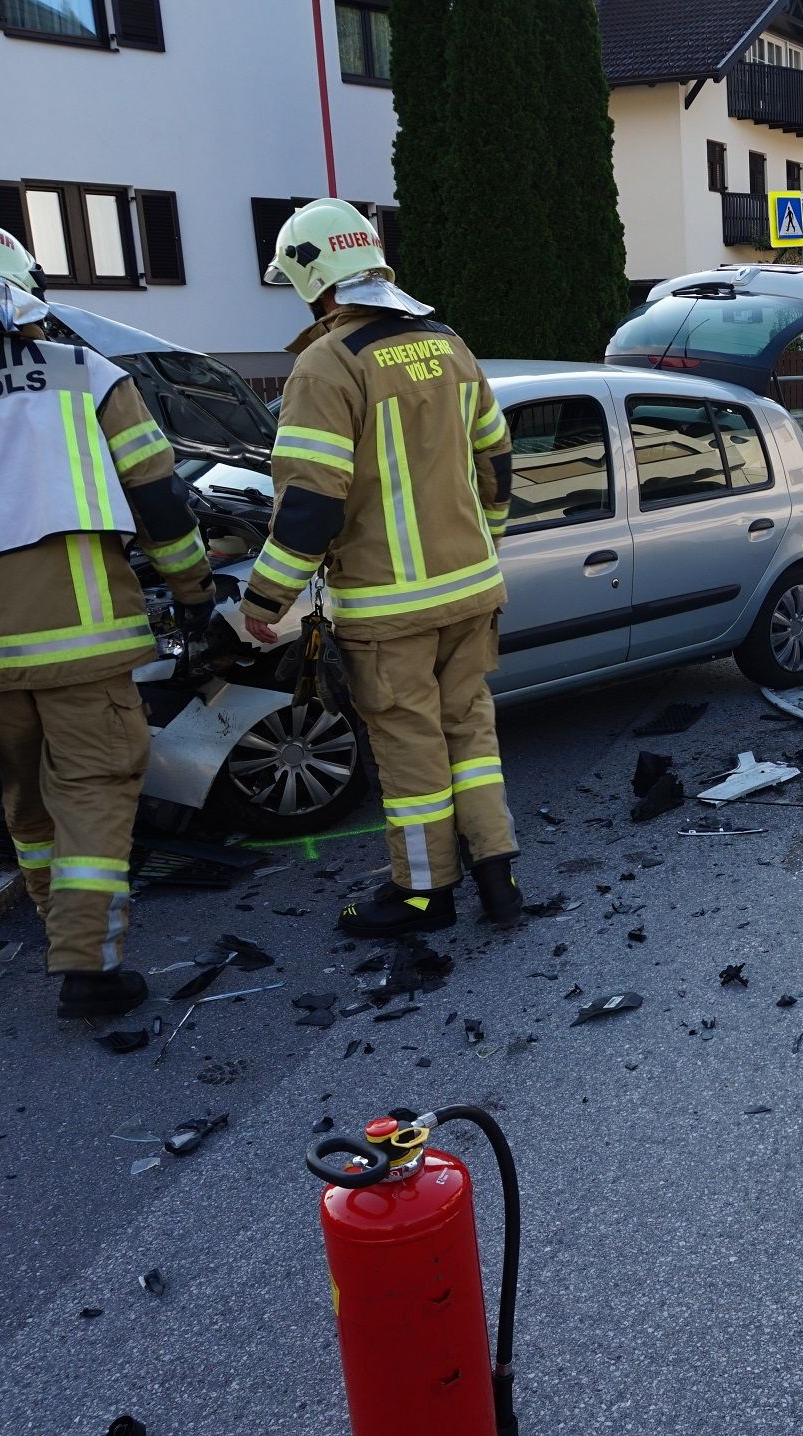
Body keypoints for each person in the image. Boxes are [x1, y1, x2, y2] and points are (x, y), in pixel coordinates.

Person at [0, 219, 215, 1018]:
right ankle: (88, 967)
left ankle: (61, 931)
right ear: (30, 292)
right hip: (90, 647)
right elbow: (160, 501)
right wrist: (194, 596)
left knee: (30, 804)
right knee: (93, 796)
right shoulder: (89, 376)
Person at [240, 198, 520, 937]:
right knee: (471, 735)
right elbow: (497, 464)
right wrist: (485, 546)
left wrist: (265, 599)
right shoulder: (450, 346)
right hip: (472, 591)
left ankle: (425, 895)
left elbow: (310, 504)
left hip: (389, 610)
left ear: (312, 280)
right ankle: (499, 877)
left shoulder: (326, 364)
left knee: (411, 752)